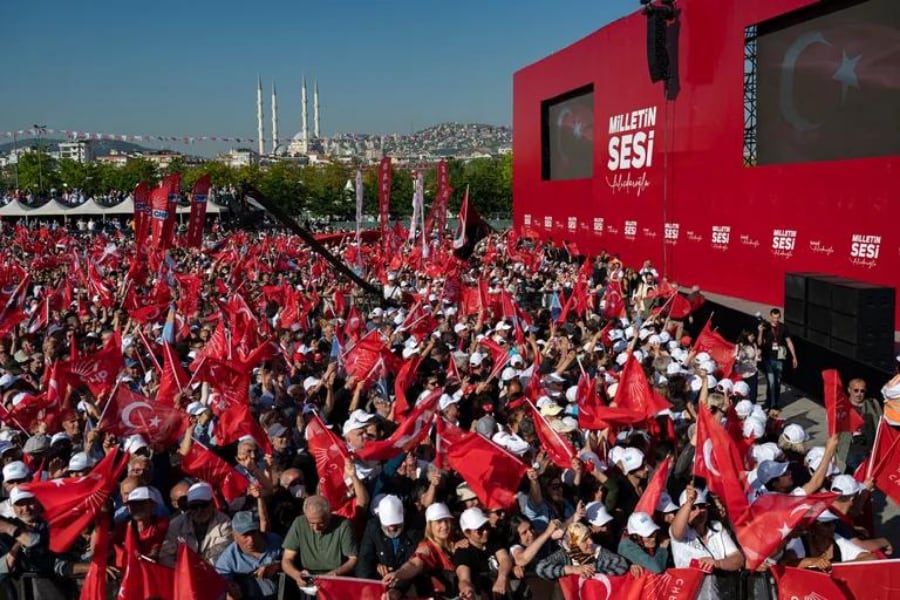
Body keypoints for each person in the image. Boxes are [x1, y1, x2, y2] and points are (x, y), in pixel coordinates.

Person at [669, 485, 743, 599]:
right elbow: (677, 530)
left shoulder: (717, 527)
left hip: (721, 591)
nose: (699, 512)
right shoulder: (680, 532)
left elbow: (737, 560)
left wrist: (717, 563)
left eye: (702, 506)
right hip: (691, 593)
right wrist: (689, 503)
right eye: (693, 508)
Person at [281, 495, 358, 590]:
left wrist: (336, 573)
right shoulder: (299, 523)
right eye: (311, 523)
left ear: (329, 515)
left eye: (321, 523)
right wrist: (297, 575)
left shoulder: (343, 525)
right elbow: (287, 559)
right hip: (309, 576)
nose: (316, 528)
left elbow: (353, 559)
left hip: (336, 578)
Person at [383, 502, 459, 599]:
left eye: (446, 520)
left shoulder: (458, 540)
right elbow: (414, 564)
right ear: (430, 525)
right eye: (439, 521)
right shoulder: (426, 547)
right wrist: (398, 574)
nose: (444, 525)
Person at [159, 481, 233, 566]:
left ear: (212, 503)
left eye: (203, 505)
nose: (199, 511)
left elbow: (221, 554)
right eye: (194, 506)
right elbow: (166, 556)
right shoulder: (176, 525)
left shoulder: (224, 522)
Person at [215, 511, 283, 600]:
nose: (251, 539)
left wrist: (278, 566)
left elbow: (294, 562)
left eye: (253, 532)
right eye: (245, 535)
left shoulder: (275, 541)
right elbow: (221, 588)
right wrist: (231, 593)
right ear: (234, 536)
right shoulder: (226, 562)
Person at [453, 507, 513, 600]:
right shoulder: (463, 552)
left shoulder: (493, 538)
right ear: (467, 533)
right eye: (479, 530)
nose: (485, 531)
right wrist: (466, 589)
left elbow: (504, 559)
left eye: (486, 526)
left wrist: (502, 578)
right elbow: (464, 578)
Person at [535, 521, 629, 580]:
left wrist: (592, 568)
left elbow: (621, 563)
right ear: (574, 544)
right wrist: (573, 569)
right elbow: (540, 569)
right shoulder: (565, 554)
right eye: (584, 540)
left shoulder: (597, 550)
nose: (591, 542)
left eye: (589, 537)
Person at [356, 495, 419, 580]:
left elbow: (413, 561)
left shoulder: (414, 529)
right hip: (379, 580)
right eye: (388, 524)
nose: (392, 528)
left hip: (405, 580)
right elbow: (365, 558)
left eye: (396, 524)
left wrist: (398, 577)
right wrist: (367, 584)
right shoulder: (373, 528)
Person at [758, 308, 797, 413]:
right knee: (771, 382)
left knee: (778, 382)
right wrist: (760, 332)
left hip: (779, 358)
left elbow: (789, 342)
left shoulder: (784, 327)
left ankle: (772, 401)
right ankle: (772, 405)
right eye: (774, 317)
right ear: (770, 316)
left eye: (778, 318)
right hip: (768, 358)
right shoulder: (765, 327)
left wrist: (794, 356)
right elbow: (760, 343)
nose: (776, 320)